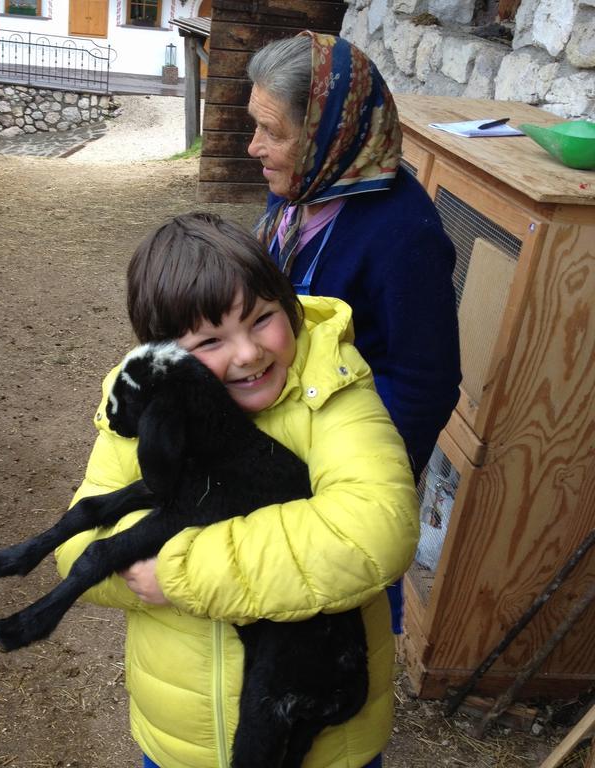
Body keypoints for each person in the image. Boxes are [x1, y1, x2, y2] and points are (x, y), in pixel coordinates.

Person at [55, 213, 419, 768]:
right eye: (210, 341)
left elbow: (374, 530)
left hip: (324, 746)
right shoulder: (148, 412)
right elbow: (76, 550)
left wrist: (177, 574)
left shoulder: (332, 394)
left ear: (289, 306)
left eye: (262, 319)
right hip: (184, 737)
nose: (248, 353)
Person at [247, 32, 461, 633]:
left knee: (330, 614)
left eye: (274, 132)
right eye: (254, 124)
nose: (253, 146)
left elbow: (427, 382)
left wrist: (355, 477)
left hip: (338, 456)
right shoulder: (304, 188)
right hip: (283, 427)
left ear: (327, 133)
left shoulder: (403, 233)